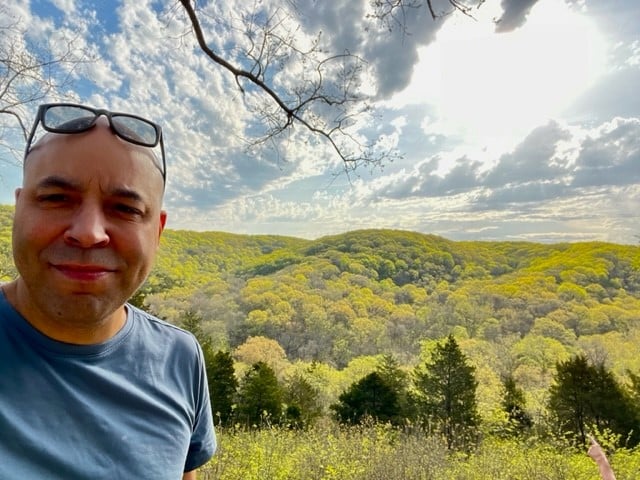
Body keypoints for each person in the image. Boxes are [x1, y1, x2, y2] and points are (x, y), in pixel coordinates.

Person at [0, 103, 216, 479]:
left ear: (158, 232)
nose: (88, 232)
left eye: (125, 208)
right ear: (19, 209)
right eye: (56, 198)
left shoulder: (181, 360)